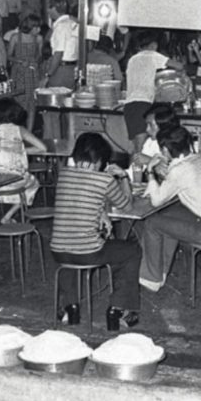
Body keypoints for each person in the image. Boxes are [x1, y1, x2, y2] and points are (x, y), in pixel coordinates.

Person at [50, 132, 143, 331]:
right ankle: (118, 311)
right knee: (131, 250)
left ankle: (70, 308)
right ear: (100, 159)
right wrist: (124, 177)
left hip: (58, 250)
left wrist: (101, 212)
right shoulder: (104, 180)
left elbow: (77, 200)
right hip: (89, 252)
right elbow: (127, 206)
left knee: (70, 246)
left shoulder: (64, 173)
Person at [139, 126, 201, 292]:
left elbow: (156, 201)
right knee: (167, 215)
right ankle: (161, 271)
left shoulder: (180, 169)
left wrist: (150, 171)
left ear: (165, 150)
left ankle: (151, 279)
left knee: (152, 223)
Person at [0, 98, 47, 223]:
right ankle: (7, 216)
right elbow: (42, 148)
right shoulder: (19, 129)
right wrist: (22, 151)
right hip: (14, 182)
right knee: (34, 183)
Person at [124, 30, 182, 143]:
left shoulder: (132, 59)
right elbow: (179, 66)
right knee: (142, 147)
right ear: (154, 44)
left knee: (137, 147)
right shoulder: (152, 55)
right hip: (142, 105)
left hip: (129, 107)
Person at [8, 14, 43, 129]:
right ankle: (18, 129)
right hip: (19, 72)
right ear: (29, 26)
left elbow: (40, 56)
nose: (39, 30)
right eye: (36, 27)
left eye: (39, 27)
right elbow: (9, 56)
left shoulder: (38, 38)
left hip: (32, 73)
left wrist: (34, 62)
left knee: (32, 103)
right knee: (19, 101)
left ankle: (30, 130)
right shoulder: (15, 37)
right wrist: (19, 61)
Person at [130, 103, 179, 172]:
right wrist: (123, 174)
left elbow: (175, 173)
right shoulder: (150, 142)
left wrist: (149, 161)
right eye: (146, 125)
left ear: (163, 125)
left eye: (150, 125)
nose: (147, 129)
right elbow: (136, 171)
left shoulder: (177, 144)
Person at [43, 0, 79, 89]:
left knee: (56, 99)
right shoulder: (72, 22)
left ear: (54, 8)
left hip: (61, 69)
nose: (47, 11)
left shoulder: (61, 26)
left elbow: (59, 53)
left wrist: (48, 75)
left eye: (49, 8)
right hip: (72, 67)